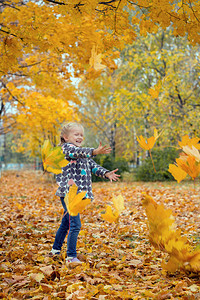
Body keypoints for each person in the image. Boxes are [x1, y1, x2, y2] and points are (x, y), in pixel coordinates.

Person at [50, 122, 120, 264]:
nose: (80, 137)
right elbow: (76, 153)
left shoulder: (82, 153)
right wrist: (94, 151)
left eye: (81, 135)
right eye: (76, 134)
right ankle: (71, 257)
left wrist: (106, 173)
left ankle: (55, 251)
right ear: (65, 137)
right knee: (75, 224)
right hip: (69, 193)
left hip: (78, 193)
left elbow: (93, 166)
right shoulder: (66, 149)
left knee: (66, 223)